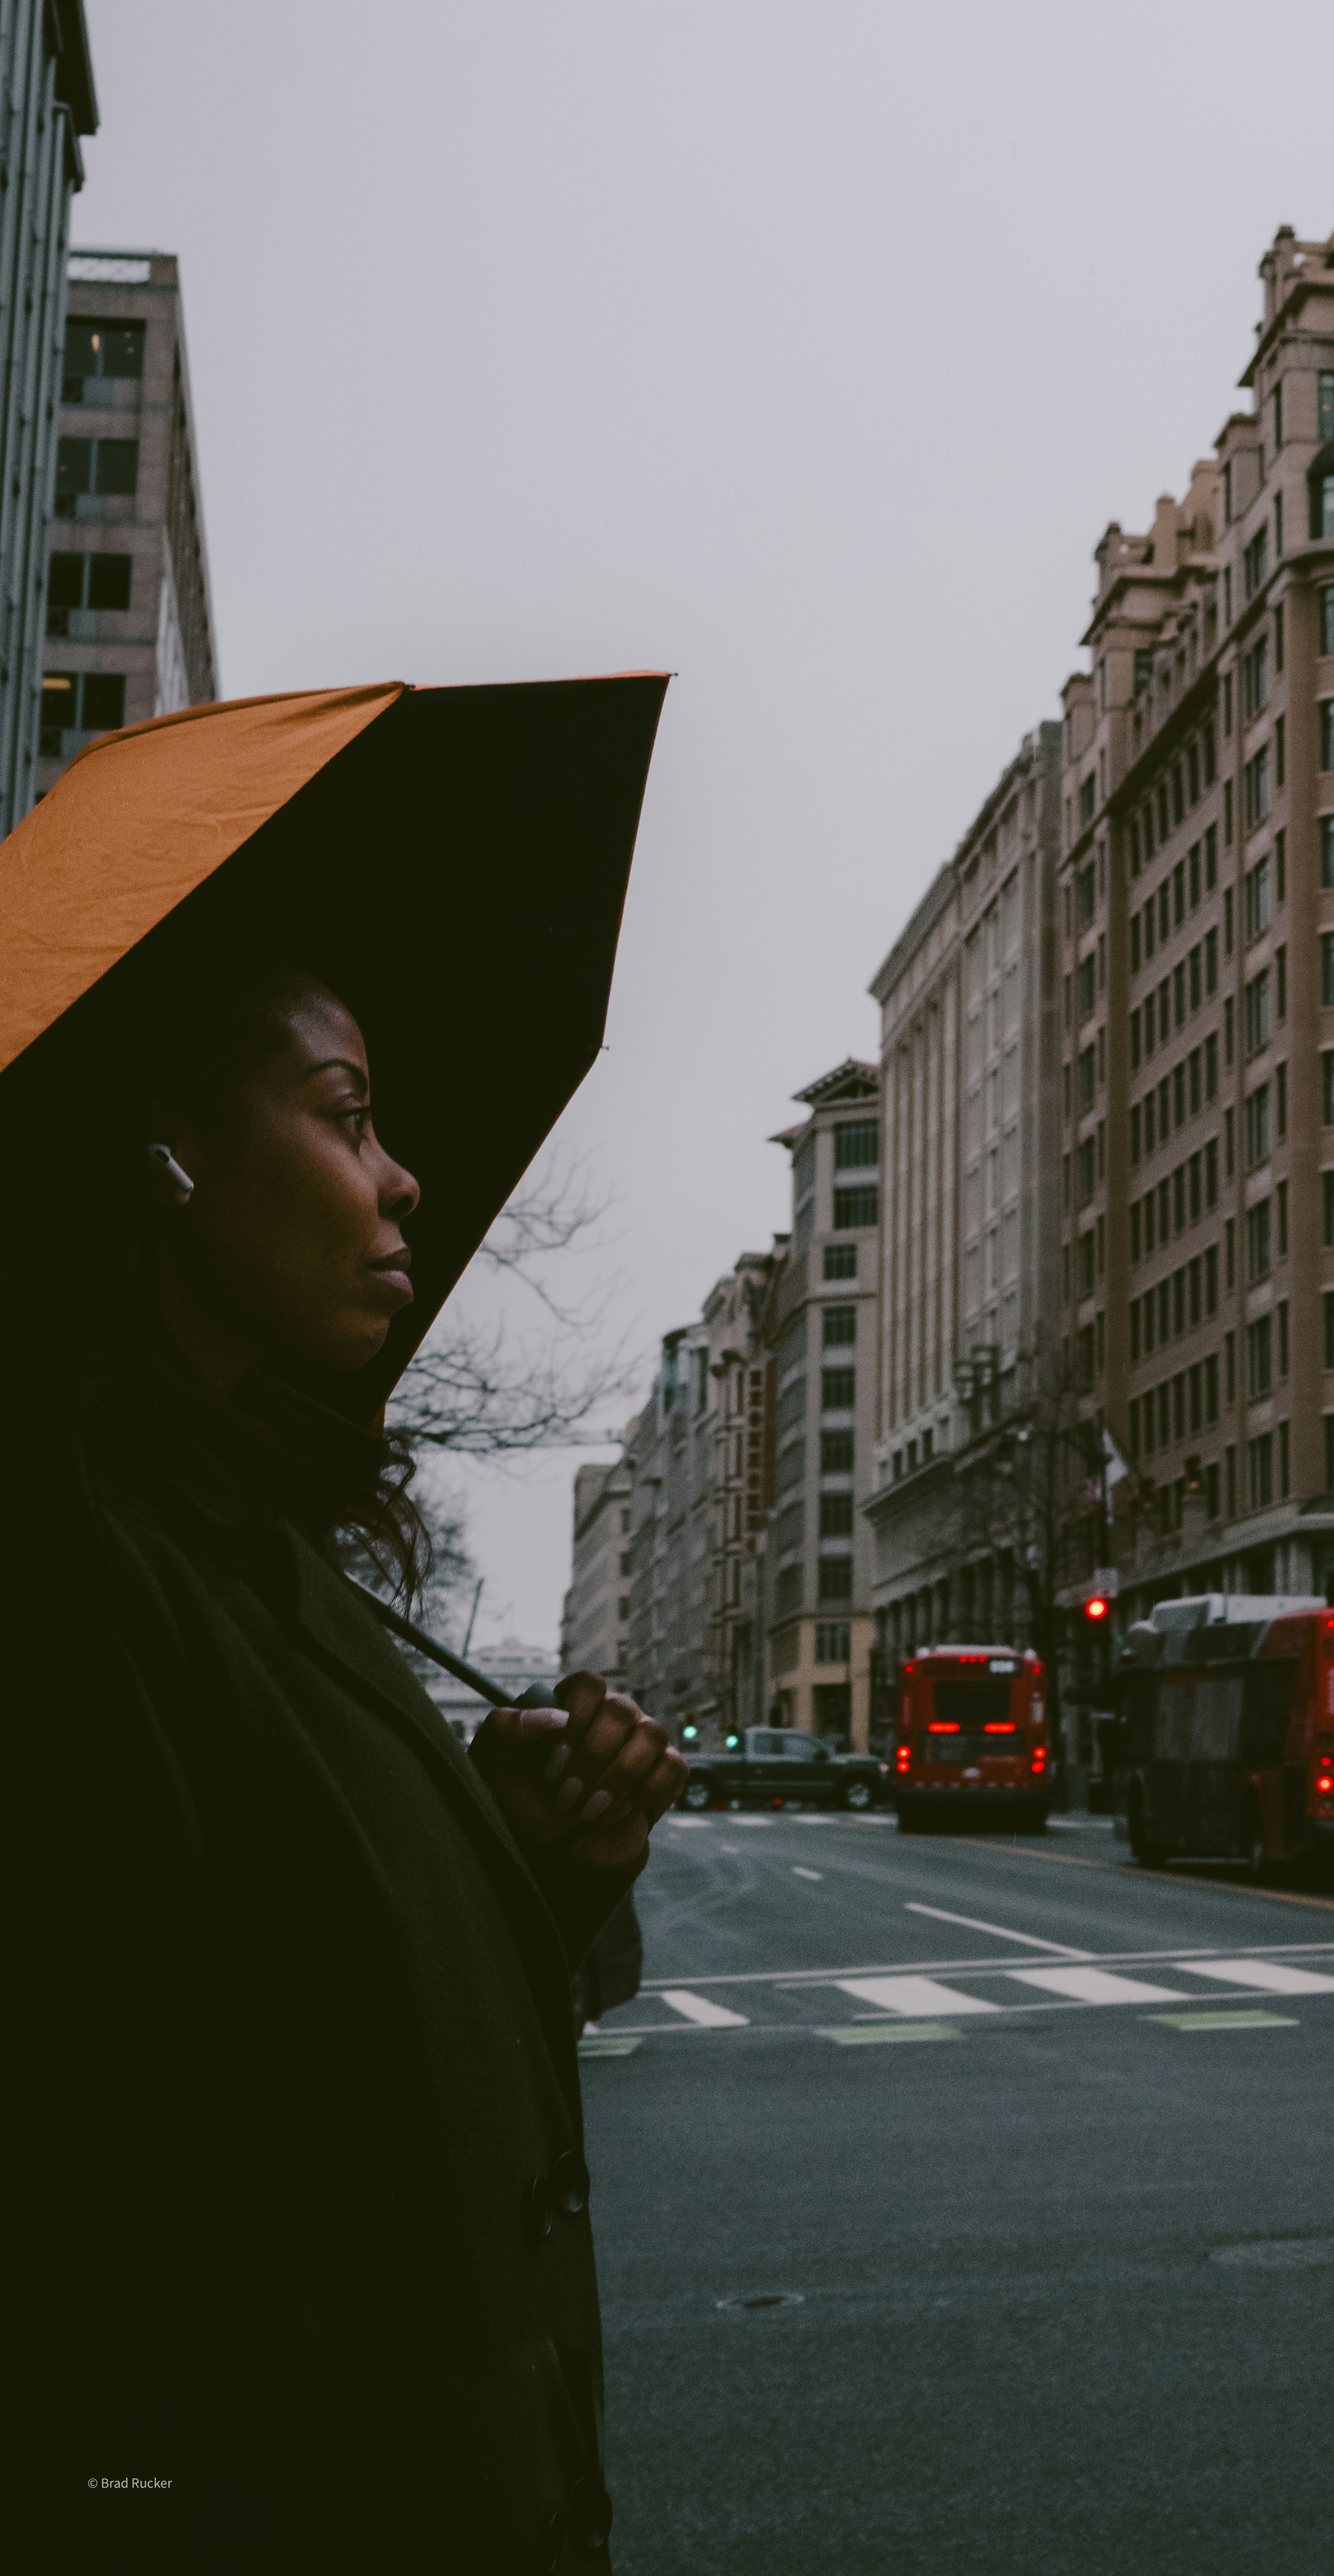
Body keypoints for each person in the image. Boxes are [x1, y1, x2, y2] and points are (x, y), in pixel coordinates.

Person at [18, 944, 681, 2572]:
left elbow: (316, 2006)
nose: (402, 1177)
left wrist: (524, 1859)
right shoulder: (79, 1573)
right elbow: (132, 2204)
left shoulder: (254, 1541)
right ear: (166, 1155)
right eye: (345, 1112)